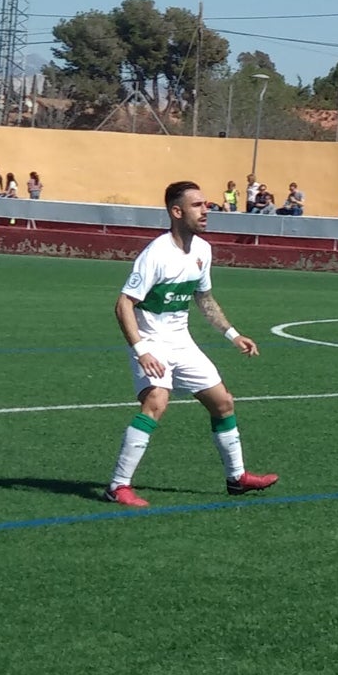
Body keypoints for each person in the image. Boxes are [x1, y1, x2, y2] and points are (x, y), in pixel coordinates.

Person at [104, 180, 278, 507]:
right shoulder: (156, 254)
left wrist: (233, 334)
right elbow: (123, 303)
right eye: (197, 205)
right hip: (152, 343)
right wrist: (142, 351)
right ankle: (118, 486)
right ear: (176, 211)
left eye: (206, 204)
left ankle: (236, 478)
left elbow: (204, 298)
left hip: (182, 343)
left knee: (223, 402)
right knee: (156, 402)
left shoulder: (202, 250)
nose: (206, 210)